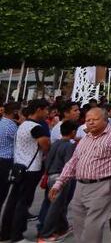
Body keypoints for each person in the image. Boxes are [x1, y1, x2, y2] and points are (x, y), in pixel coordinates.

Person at [46, 105, 111, 243]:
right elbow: (73, 162)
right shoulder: (86, 138)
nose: (90, 122)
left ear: (105, 120)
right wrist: (59, 182)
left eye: (95, 119)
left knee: (93, 223)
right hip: (81, 185)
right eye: (88, 120)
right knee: (78, 222)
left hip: (104, 184)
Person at [0, 98, 52, 242]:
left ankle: (5, 234)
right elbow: (45, 145)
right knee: (23, 203)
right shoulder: (36, 127)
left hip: (19, 167)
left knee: (13, 202)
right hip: (31, 169)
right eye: (46, 109)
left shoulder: (22, 125)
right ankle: (17, 236)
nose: (47, 113)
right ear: (39, 110)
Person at [37, 120, 77, 241]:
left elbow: (47, 160)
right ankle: (45, 234)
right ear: (73, 132)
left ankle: (62, 227)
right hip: (60, 177)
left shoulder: (55, 144)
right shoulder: (69, 146)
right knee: (56, 206)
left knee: (58, 205)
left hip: (50, 176)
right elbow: (68, 164)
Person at [0, 102, 20, 218]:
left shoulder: (2, 122)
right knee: (2, 192)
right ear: (15, 112)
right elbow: (19, 140)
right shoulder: (11, 126)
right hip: (6, 162)